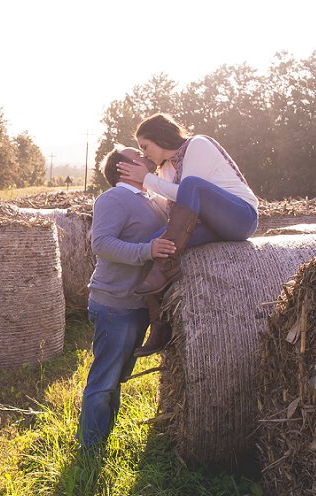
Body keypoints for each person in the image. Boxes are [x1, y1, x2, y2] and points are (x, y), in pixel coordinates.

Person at [118, 113, 259, 356]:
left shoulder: (198, 145)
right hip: (206, 225)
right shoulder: (167, 168)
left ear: (159, 137)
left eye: (145, 146)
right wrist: (139, 188)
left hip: (240, 217)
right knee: (153, 245)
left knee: (191, 185)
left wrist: (147, 178)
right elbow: (171, 207)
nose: (144, 153)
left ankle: (164, 268)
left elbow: (185, 193)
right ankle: (160, 328)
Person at [78, 145, 173, 450]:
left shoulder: (153, 198)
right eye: (140, 156)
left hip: (139, 305)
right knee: (104, 381)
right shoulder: (113, 199)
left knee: (117, 378)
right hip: (115, 303)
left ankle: (101, 441)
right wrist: (148, 250)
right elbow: (101, 243)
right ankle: (89, 452)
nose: (147, 159)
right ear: (124, 168)